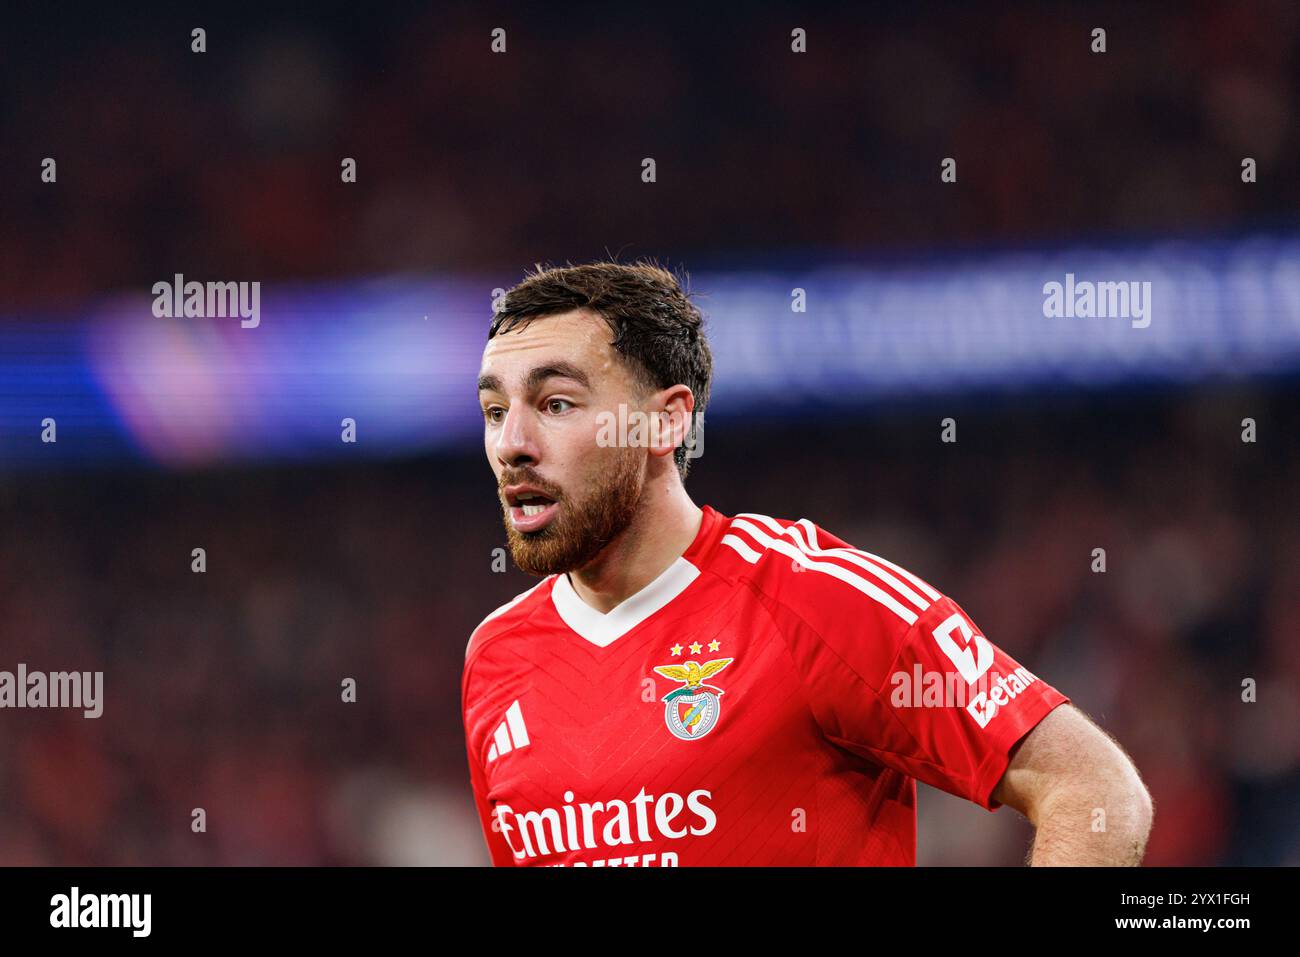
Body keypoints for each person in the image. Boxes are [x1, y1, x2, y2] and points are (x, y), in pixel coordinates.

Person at [463, 261, 1152, 866]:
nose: (512, 443)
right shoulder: (497, 658)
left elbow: (1092, 788)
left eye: (556, 403)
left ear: (665, 422)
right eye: (495, 410)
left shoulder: (816, 599)